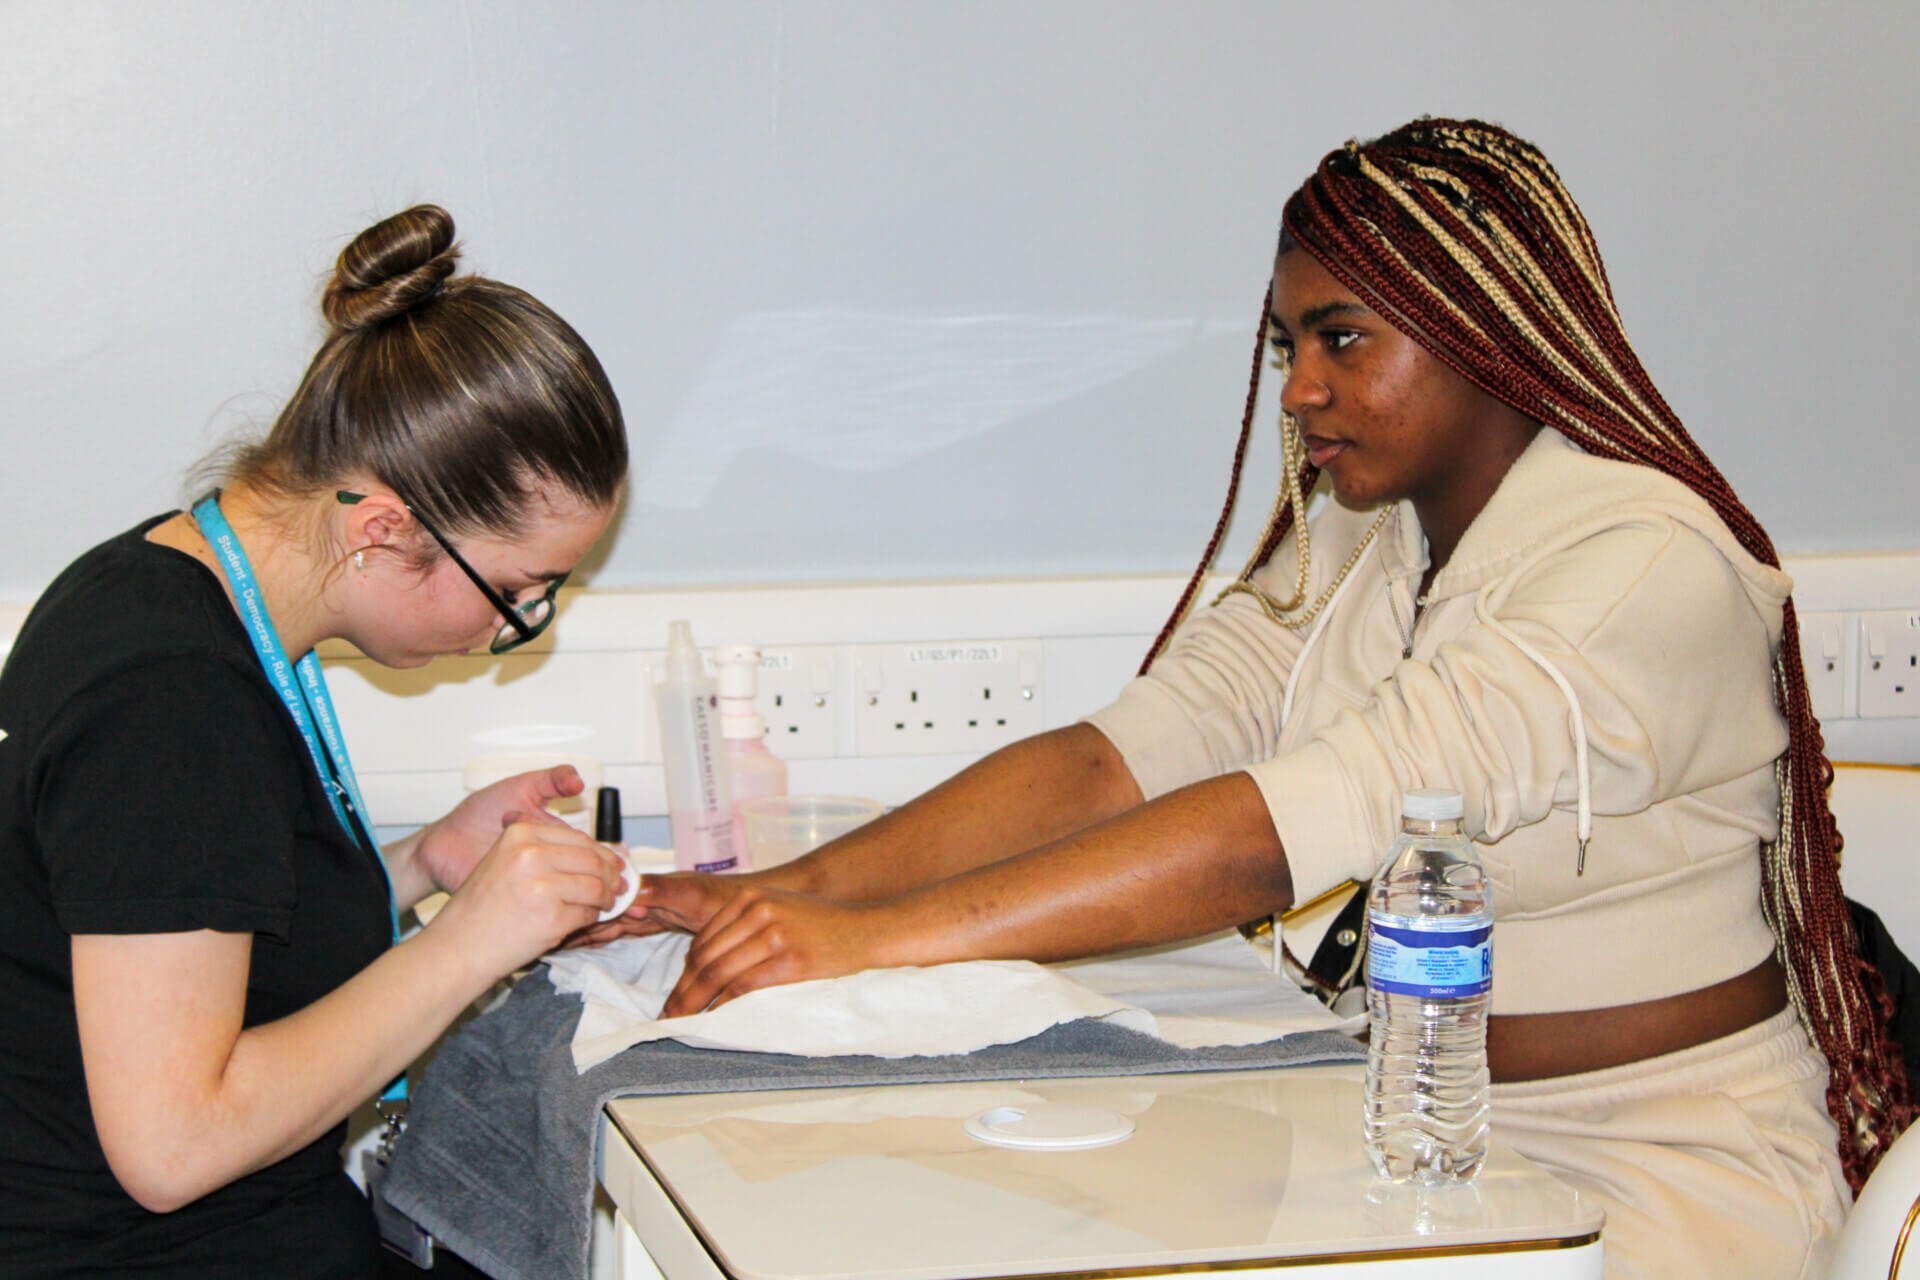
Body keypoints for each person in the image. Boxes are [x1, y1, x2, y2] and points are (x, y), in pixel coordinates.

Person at [633, 120, 1911, 1278]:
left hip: (1654, 1162)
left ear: (1484, 331)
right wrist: (797, 897)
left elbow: (1283, 827)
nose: (1301, 388)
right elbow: (1117, 760)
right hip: (1396, 1132)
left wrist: (868, 943)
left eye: (1343, 337)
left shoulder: (1646, 562)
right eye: (1289, 344)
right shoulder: (1361, 536)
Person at [0, 205, 631, 1277]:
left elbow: (199, 938)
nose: (512, 628)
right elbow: (172, 1143)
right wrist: (464, 941)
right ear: (382, 529)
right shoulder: (169, 698)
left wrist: (422, 864)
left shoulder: (174, 590)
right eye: (517, 590)